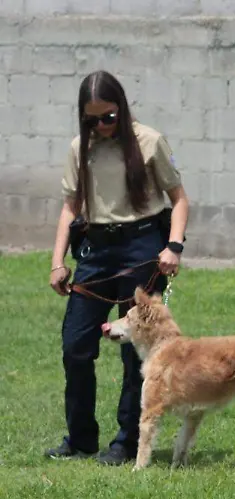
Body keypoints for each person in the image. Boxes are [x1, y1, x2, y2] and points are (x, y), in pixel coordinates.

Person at [45, 70, 190, 466]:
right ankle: (80, 439)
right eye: (91, 119)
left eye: (108, 117)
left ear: (122, 108)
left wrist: (173, 247)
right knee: (76, 346)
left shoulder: (150, 141)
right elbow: (70, 207)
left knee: (133, 351)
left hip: (141, 245)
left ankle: (126, 442)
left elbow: (178, 199)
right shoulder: (81, 147)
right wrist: (58, 261)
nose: (101, 126)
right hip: (95, 250)